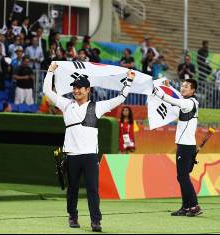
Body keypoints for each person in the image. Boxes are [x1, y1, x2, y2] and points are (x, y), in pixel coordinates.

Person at [43, 62, 135, 232]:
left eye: (80, 88)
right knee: (72, 190)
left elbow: (120, 98)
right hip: (71, 154)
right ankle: (72, 216)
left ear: (88, 90)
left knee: (93, 189)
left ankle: (96, 221)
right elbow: (47, 91)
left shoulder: (97, 107)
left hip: (90, 156)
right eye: (75, 87)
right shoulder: (66, 104)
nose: (76, 90)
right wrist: (50, 72)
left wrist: (128, 81)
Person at [153, 79, 202, 217]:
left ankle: (194, 205)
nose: (183, 87)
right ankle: (186, 207)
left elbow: (176, 101)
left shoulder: (190, 103)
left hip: (186, 147)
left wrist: (157, 91)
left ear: (193, 91)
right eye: (182, 85)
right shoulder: (187, 102)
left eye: (186, 86)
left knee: (183, 176)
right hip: (184, 146)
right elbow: (177, 98)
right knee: (182, 177)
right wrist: (169, 88)